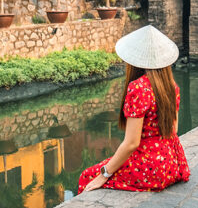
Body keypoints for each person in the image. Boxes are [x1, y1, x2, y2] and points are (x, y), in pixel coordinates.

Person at [78, 25, 190, 193]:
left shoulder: (138, 88)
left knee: (87, 176)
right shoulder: (172, 86)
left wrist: (104, 174)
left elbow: (131, 143)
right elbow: (174, 130)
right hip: (173, 163)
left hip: (150, 168)